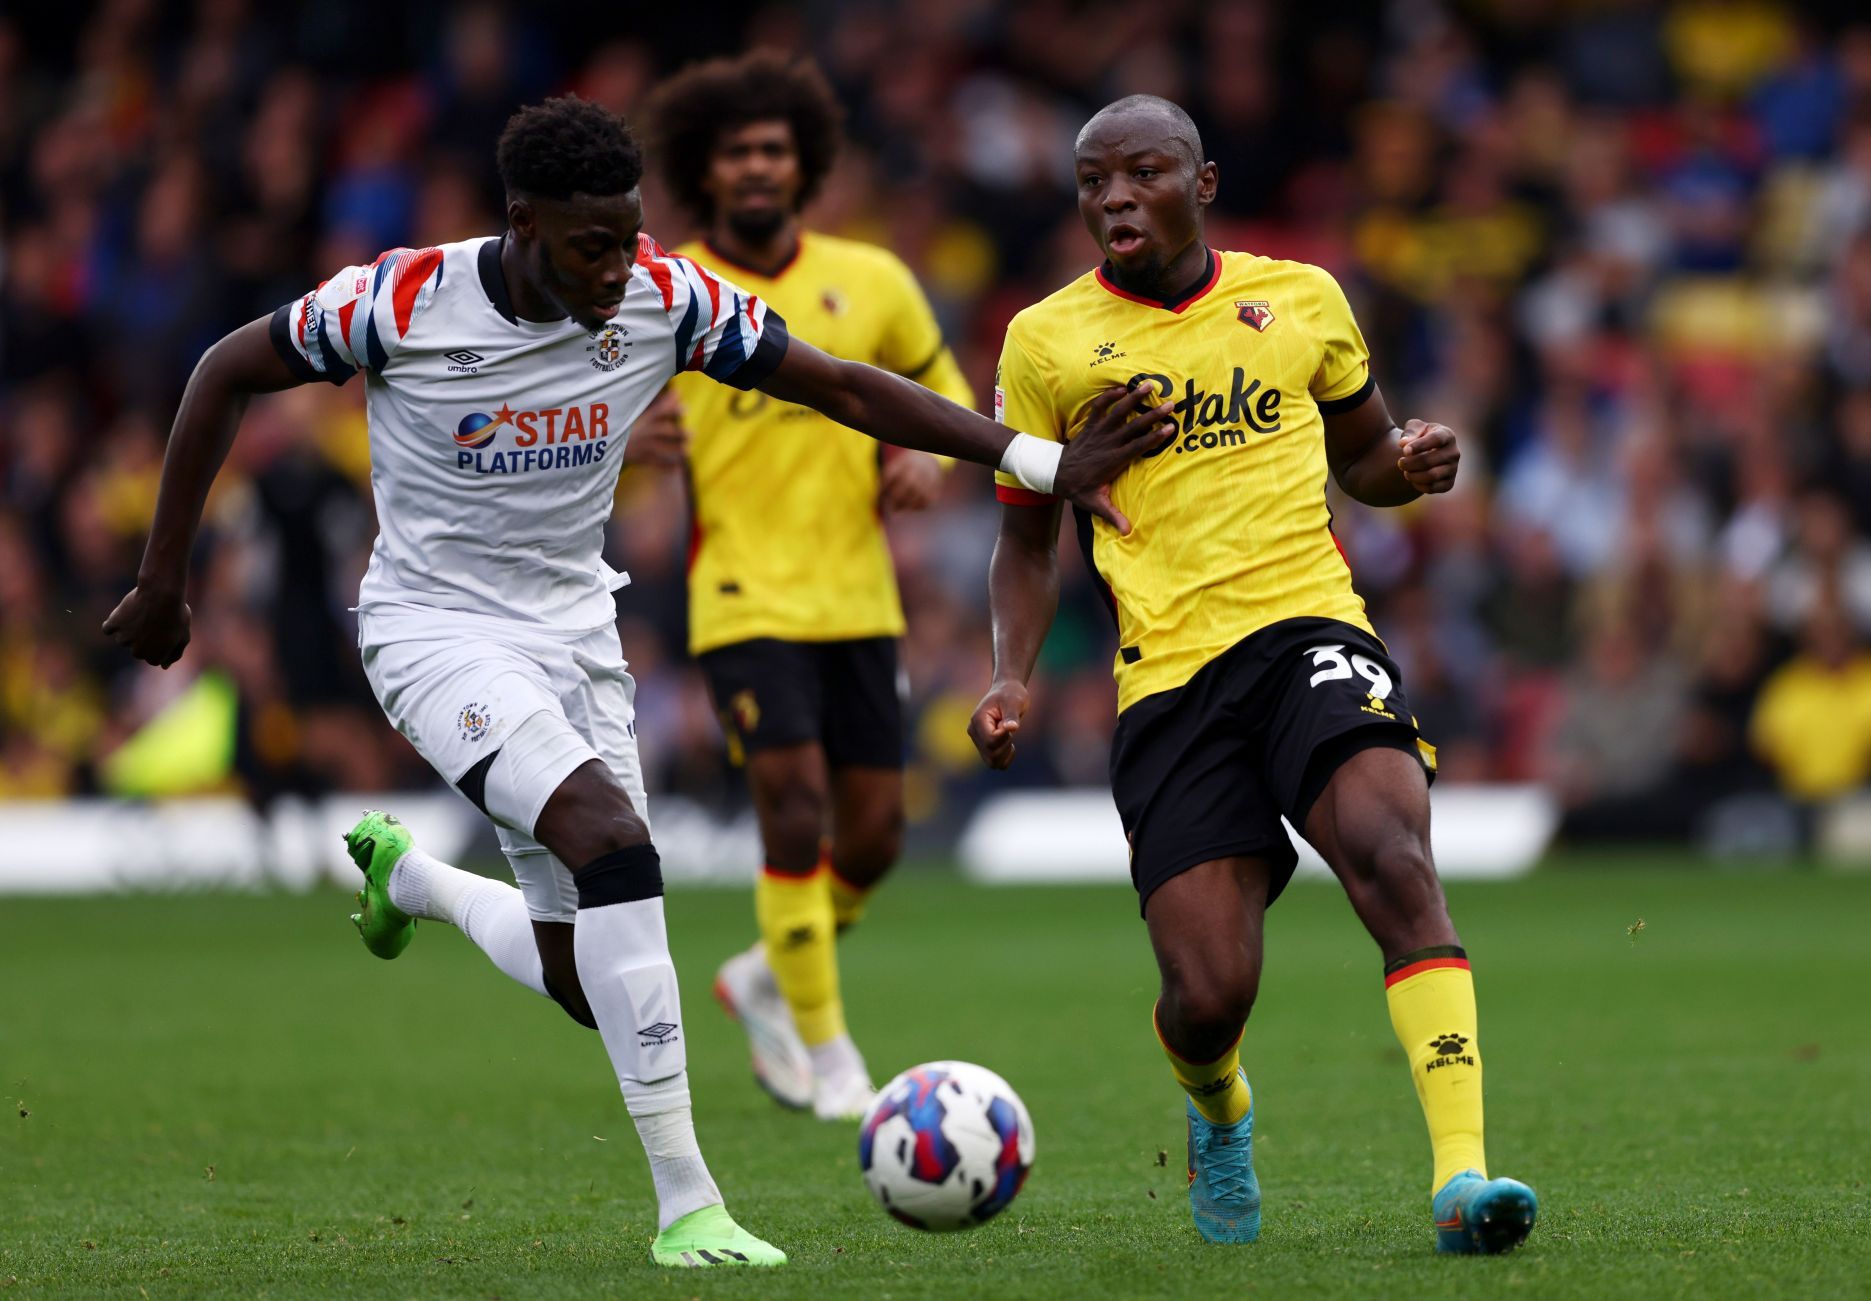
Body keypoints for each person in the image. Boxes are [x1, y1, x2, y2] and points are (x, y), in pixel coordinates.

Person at [103, 95, 1169, 1271]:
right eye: (589, 246)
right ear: (522, 224)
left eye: (628, 238)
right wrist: (165, 578)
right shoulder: (399, 299)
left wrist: (1038, 458)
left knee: (585, 978)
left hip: (576, 632)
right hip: (433, 630)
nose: (617, 269)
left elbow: (845, 388)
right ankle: (689, 1204)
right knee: (615, 843)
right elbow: (220, 370)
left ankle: (416, 884)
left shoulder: (665, 294)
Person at [966, 95, 1537, 1254]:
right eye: (1092, 182)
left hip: (1307, 629)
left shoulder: (1304, 299)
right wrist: (1012, 676)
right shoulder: (1045, 342)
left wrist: (1412, 462)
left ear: (1203, 181)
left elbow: (1365, 459)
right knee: (1209, 992)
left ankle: (1462, 1178)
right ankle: (1219, 1103)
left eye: (1140, 173)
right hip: (1169, 677)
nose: (1113, 197)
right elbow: (1026, 535)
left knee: (1392, 849)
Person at [630, 51, 972, 1121]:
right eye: (736, 152)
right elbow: (588, 403)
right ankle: (831, 1055)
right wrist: (631, 433)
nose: (757, 167)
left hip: (859, 596)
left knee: (872, 834)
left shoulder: (870, 279)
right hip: (740, 593)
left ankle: (771, 972)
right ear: (705, 167)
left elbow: (945, 384)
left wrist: (930, 455)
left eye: (774, 148)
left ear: (805, 162)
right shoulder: (664, 289)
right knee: (793, 805)